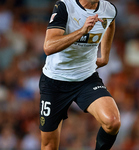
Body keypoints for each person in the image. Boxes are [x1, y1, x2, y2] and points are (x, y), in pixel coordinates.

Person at [39, 0, 121, 149]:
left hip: (86, 79)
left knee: (112, 121)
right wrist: (82, 31)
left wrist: (105, 56)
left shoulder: (108, 9)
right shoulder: (64, 7)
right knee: (49, 146)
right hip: (55, 82)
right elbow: (48, 47)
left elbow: (111, 22)